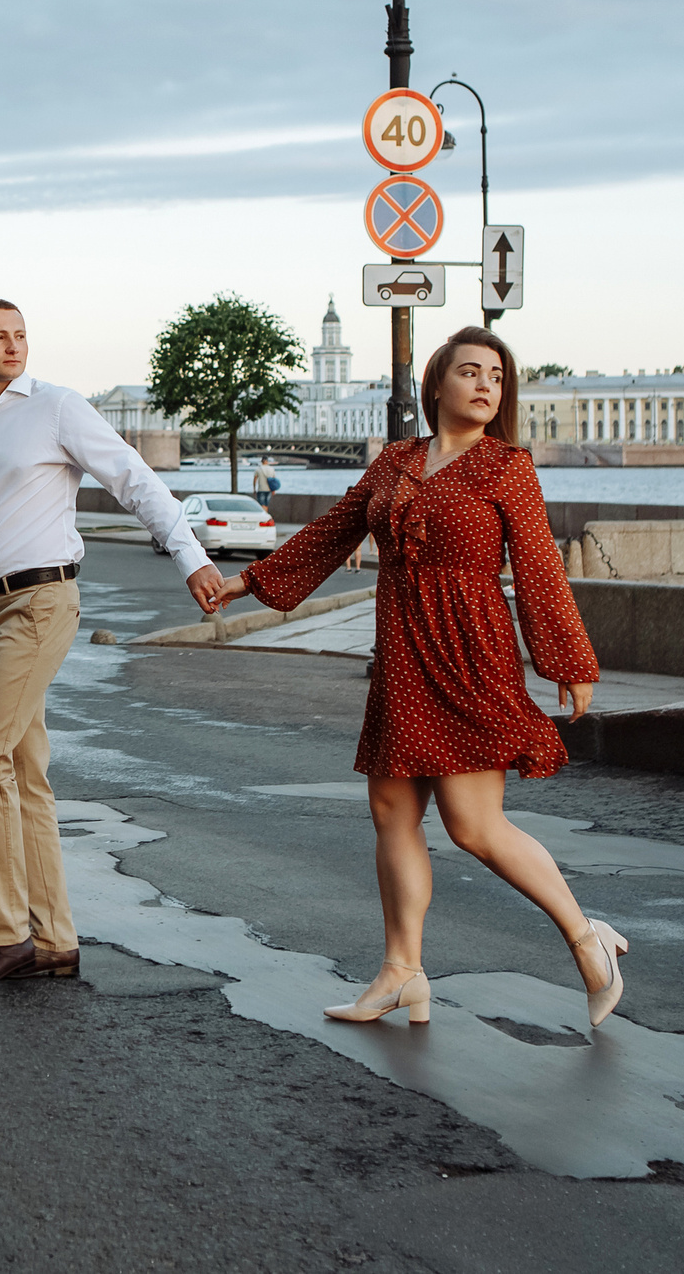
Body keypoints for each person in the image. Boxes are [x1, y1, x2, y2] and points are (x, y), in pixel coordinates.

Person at [213, 325, 631, 1030]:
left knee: (474, 825)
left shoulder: (508, 467)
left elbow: (537, 566)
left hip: (471, 653)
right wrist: (249, 582)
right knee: (392, 813)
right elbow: (333, 530)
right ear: (436, 383)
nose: (484, 385)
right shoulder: (396, 461)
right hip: (402, 652)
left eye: (495, 376)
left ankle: (586, 934)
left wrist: (567, 660)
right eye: (469, 371)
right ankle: (401, 970)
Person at [0, 299, 226, 986]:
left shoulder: (57, 407)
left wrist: (191, 555)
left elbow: (132, 479)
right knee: (23, 774)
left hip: (43, 601)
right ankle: (54, 938)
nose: (14, 344)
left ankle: (8, 932)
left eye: (21, 334)